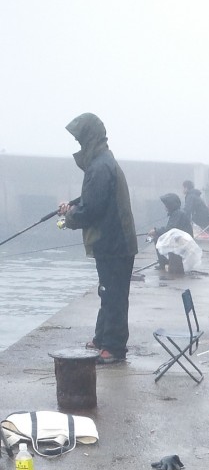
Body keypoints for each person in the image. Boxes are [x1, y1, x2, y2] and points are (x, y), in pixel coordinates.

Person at [58, 113, 137, 366]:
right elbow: (92, 198)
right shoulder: (102, 161)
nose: (78, 143)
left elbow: (93, 208)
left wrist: (71, 217)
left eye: (80, 138)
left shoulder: (100, 166)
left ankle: (113, 348)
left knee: (113, 295)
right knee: (108, 292)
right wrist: (72, 205)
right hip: (112, 242)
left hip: (114, 243)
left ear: (88, 137)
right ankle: (102, 338)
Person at [147, 193, 193, 270]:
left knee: (157, 238)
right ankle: (164, 261)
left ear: (170, 205)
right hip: (182, 239)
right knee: (159, 236)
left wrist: (155, 231)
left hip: (184, 242)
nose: (165, 206)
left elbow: (169, 229)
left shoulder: (177, 214)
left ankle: (163, 263)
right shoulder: (177, 213)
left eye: (166, 204)